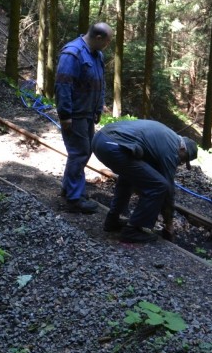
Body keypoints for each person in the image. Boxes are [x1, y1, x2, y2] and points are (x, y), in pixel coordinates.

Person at [92, 119, 198, 243]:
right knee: (159, 186)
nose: (179, 163)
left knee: (128, 178)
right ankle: (132, 230)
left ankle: (112, 220)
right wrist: (169, 224)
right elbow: (168, 190)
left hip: (100, 139)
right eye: (183, 160)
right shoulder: (172, 149)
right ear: (182, 149)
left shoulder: (167, 137)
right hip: (113, 145)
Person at [55, 22, 113, 213]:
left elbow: (100, 83)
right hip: (75, 114)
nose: (108, 45)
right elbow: (63, 86)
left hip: (88, 113)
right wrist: (65, 115)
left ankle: (69, 189)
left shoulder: (97, 55)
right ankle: (74, 199)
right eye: (107, 41)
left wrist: (98, 108)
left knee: (84, 152)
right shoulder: (72, 54)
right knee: (79, 154)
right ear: (98, 38)